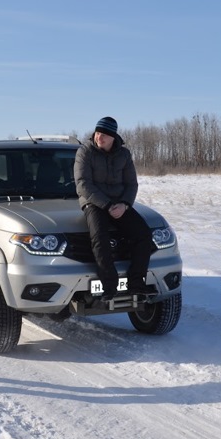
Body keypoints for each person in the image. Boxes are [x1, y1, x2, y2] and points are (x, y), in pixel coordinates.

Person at [74, 116, 155, 301]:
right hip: (93, 202)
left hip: (120, 204)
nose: (98, 137)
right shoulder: (85, 152)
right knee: (100, 237)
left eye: (103, 135)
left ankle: (137, 284)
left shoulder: (124, 155)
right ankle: (109, 288)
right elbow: (83, 185)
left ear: (113, 137)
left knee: (143, 234)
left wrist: (125, 204)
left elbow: (131, 184)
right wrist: (108, 205)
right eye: (97, 133)